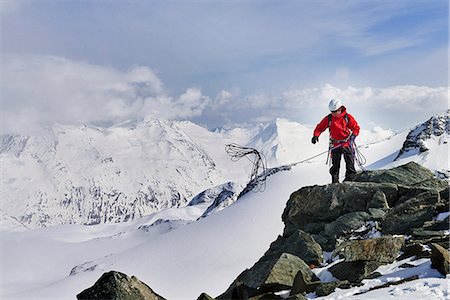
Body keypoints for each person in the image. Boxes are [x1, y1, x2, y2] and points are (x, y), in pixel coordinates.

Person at [311, 98, 360, 183]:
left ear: (340, 109)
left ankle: (349, 181)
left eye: (335, 111)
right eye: (332, 111)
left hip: (347, 143)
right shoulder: (329, 118)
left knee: (350, 164)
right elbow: (320, 127)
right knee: (335, 166)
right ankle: (335, 183)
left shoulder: (347, 117)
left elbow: (356, 128)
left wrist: (353, 136)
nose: (333, 113)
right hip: (335, 144)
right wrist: (316, 135)